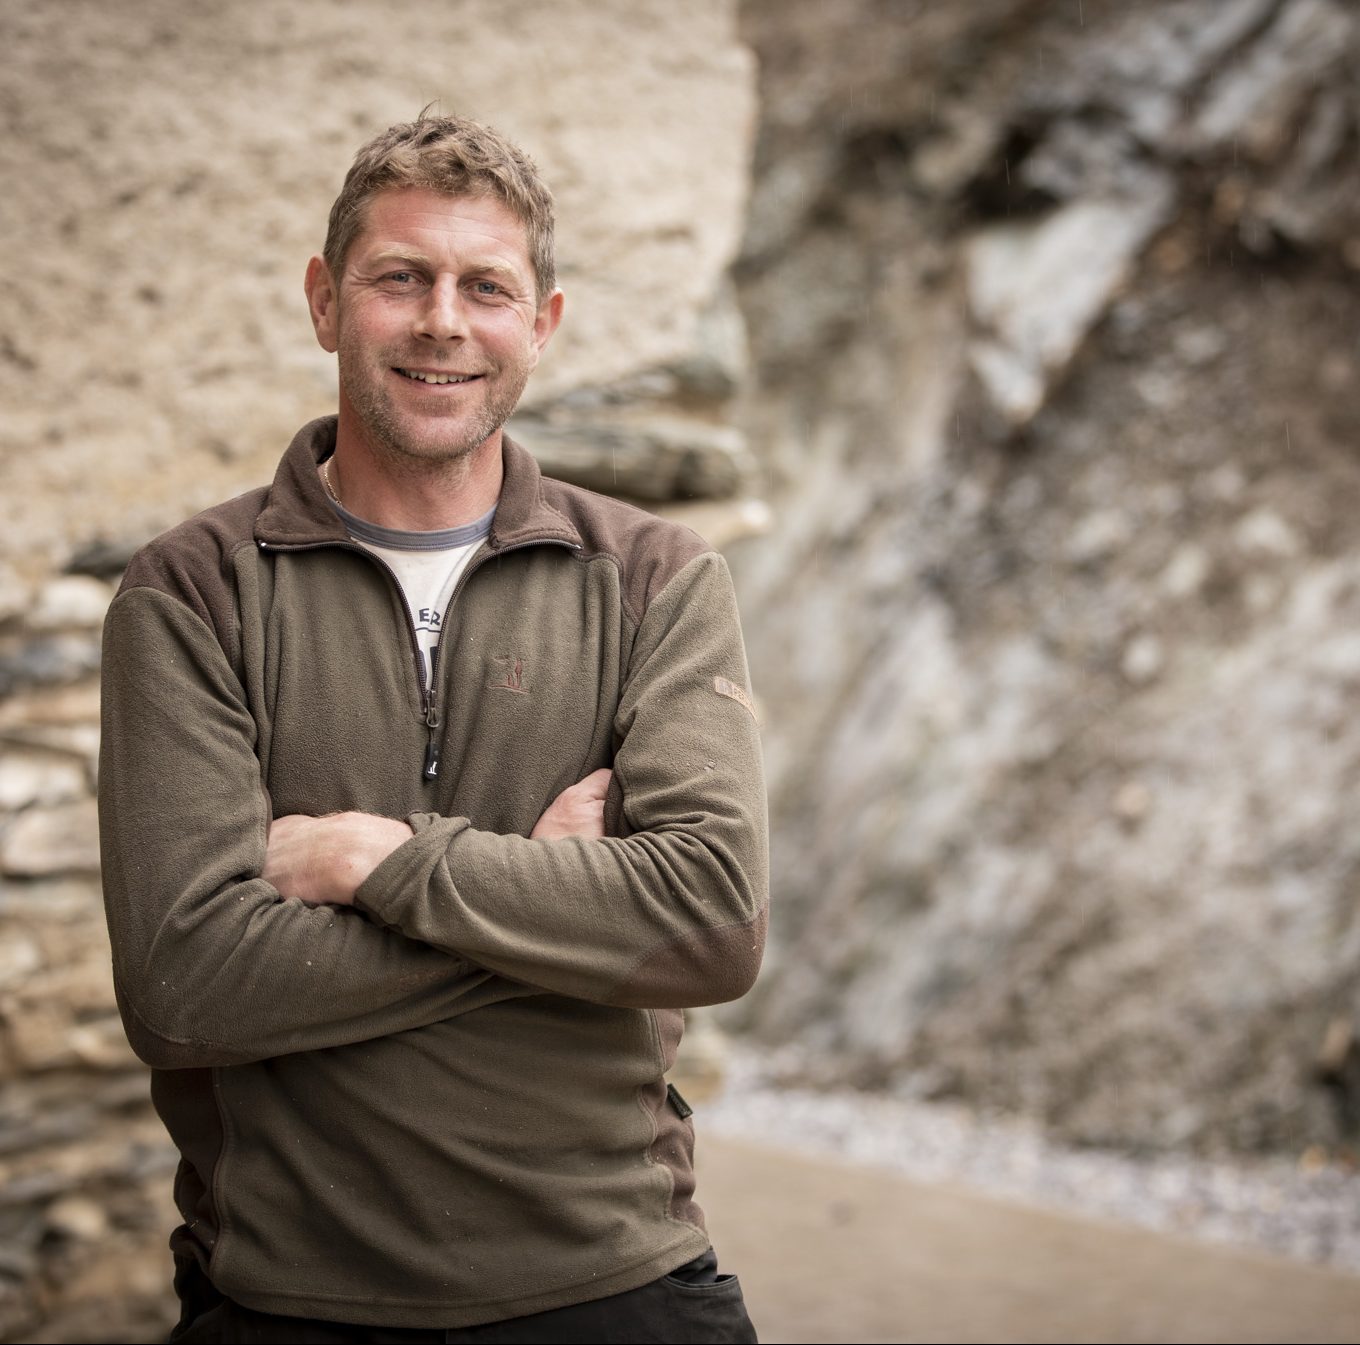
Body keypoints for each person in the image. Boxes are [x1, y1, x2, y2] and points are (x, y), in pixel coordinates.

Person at [98, 112, 768, 1344]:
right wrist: (553, 899)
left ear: (541, 324)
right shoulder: (190, 590)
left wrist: (379, 863)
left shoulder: (654, 578)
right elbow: (186, 985)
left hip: (616, 1282)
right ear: (325, 301)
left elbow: (712, 919)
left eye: (485, 287)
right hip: (290, 1300)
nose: (442, 321)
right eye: (400, 278)